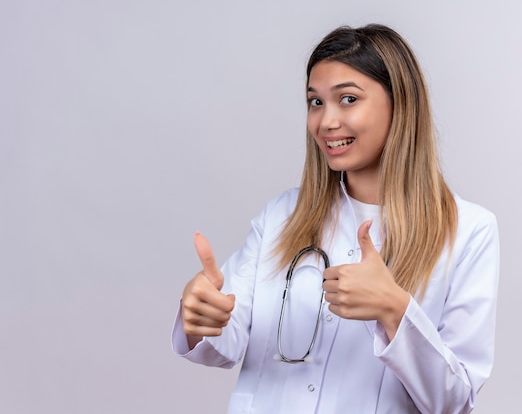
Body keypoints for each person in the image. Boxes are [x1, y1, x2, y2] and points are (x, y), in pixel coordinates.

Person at [172, 24, 499, 414]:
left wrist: (395, 310)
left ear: (401, 105)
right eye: (316, 102)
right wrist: (200, 315)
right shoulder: (282, 216)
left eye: (347, 99)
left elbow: (453, 401)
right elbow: (223, 342)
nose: (326, 122)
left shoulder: (468, 231)